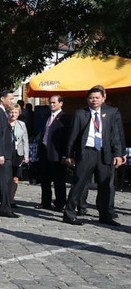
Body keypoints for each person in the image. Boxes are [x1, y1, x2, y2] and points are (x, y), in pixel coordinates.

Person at [63, 85, 124, 226]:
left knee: (105, 185)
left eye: (97, 97)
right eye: (91, 98)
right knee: (79, 183)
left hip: (104, 152)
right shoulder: (80, 113)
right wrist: (69, 155)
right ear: (87, 99)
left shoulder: (112, 112)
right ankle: (69, 213)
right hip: (86, 152)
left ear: (103, 98)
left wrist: (118, 154)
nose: (94, 100)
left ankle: (105, 215)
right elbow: (72, 136)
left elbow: (117, 135)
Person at [36, 95, 69, 210]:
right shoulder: (47, 116)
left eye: (54, 102)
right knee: (45, 180)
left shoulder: (65, 118)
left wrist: (65, 154)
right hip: (45, 151)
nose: (51, 105)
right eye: (50, 102)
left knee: (58, 180)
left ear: (61, 103)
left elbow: (66, 138)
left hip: (57, 153)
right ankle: (45, 202)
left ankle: (60, 203)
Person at [7, 105, 30, 208]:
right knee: (6, 177)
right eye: (12, 112)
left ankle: (11, 199)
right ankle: (5, 198)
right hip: (7, 153)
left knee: (15, 178)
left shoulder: (21, 124)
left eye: (16, 112)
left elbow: (25, 140)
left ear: (19, 113)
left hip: (18, 154)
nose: (13, 114)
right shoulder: (4, 123)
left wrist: (26, 155)